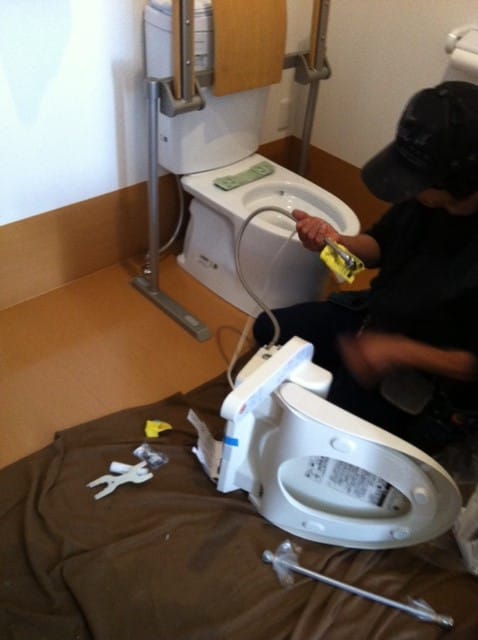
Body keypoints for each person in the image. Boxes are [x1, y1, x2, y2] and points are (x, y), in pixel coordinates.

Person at [253, 81, 478, 453]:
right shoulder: (425, 200)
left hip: (431, 368)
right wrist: (333, 242)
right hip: (377, 319)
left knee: (332, 436)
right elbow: (379, 247)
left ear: (460, 181)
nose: (412, 191)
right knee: (269, 329)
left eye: (419, 184)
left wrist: (396, 351)